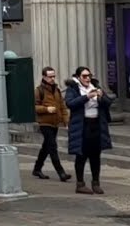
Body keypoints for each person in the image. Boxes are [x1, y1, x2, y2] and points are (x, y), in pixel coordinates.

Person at [65, 66, 113, 195]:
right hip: (82, 125)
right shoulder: (73, 89)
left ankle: (96, 182)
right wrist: (87, 96)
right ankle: (80, 184)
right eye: (84, 76)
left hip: (96, 124)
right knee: (81, 155)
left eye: (89, 76)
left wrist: (101, 96)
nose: (87, 78)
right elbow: (70, 103)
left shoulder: (95, 86)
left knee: (95, 155)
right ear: (78, 77)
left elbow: (108, 102)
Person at [32, 66, 70, 181]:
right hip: (45, 123)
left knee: (46, 146)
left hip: (55, 123)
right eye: (50, 77)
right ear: (44, 77)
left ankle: (37, 169)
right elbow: (33, 107)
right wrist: (46, 109)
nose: (52, 79)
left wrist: (66, 121)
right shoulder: (39, 90)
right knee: (52, 146)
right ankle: (61, 172)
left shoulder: (57, 90)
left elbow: (62, 106)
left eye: (54, 76)